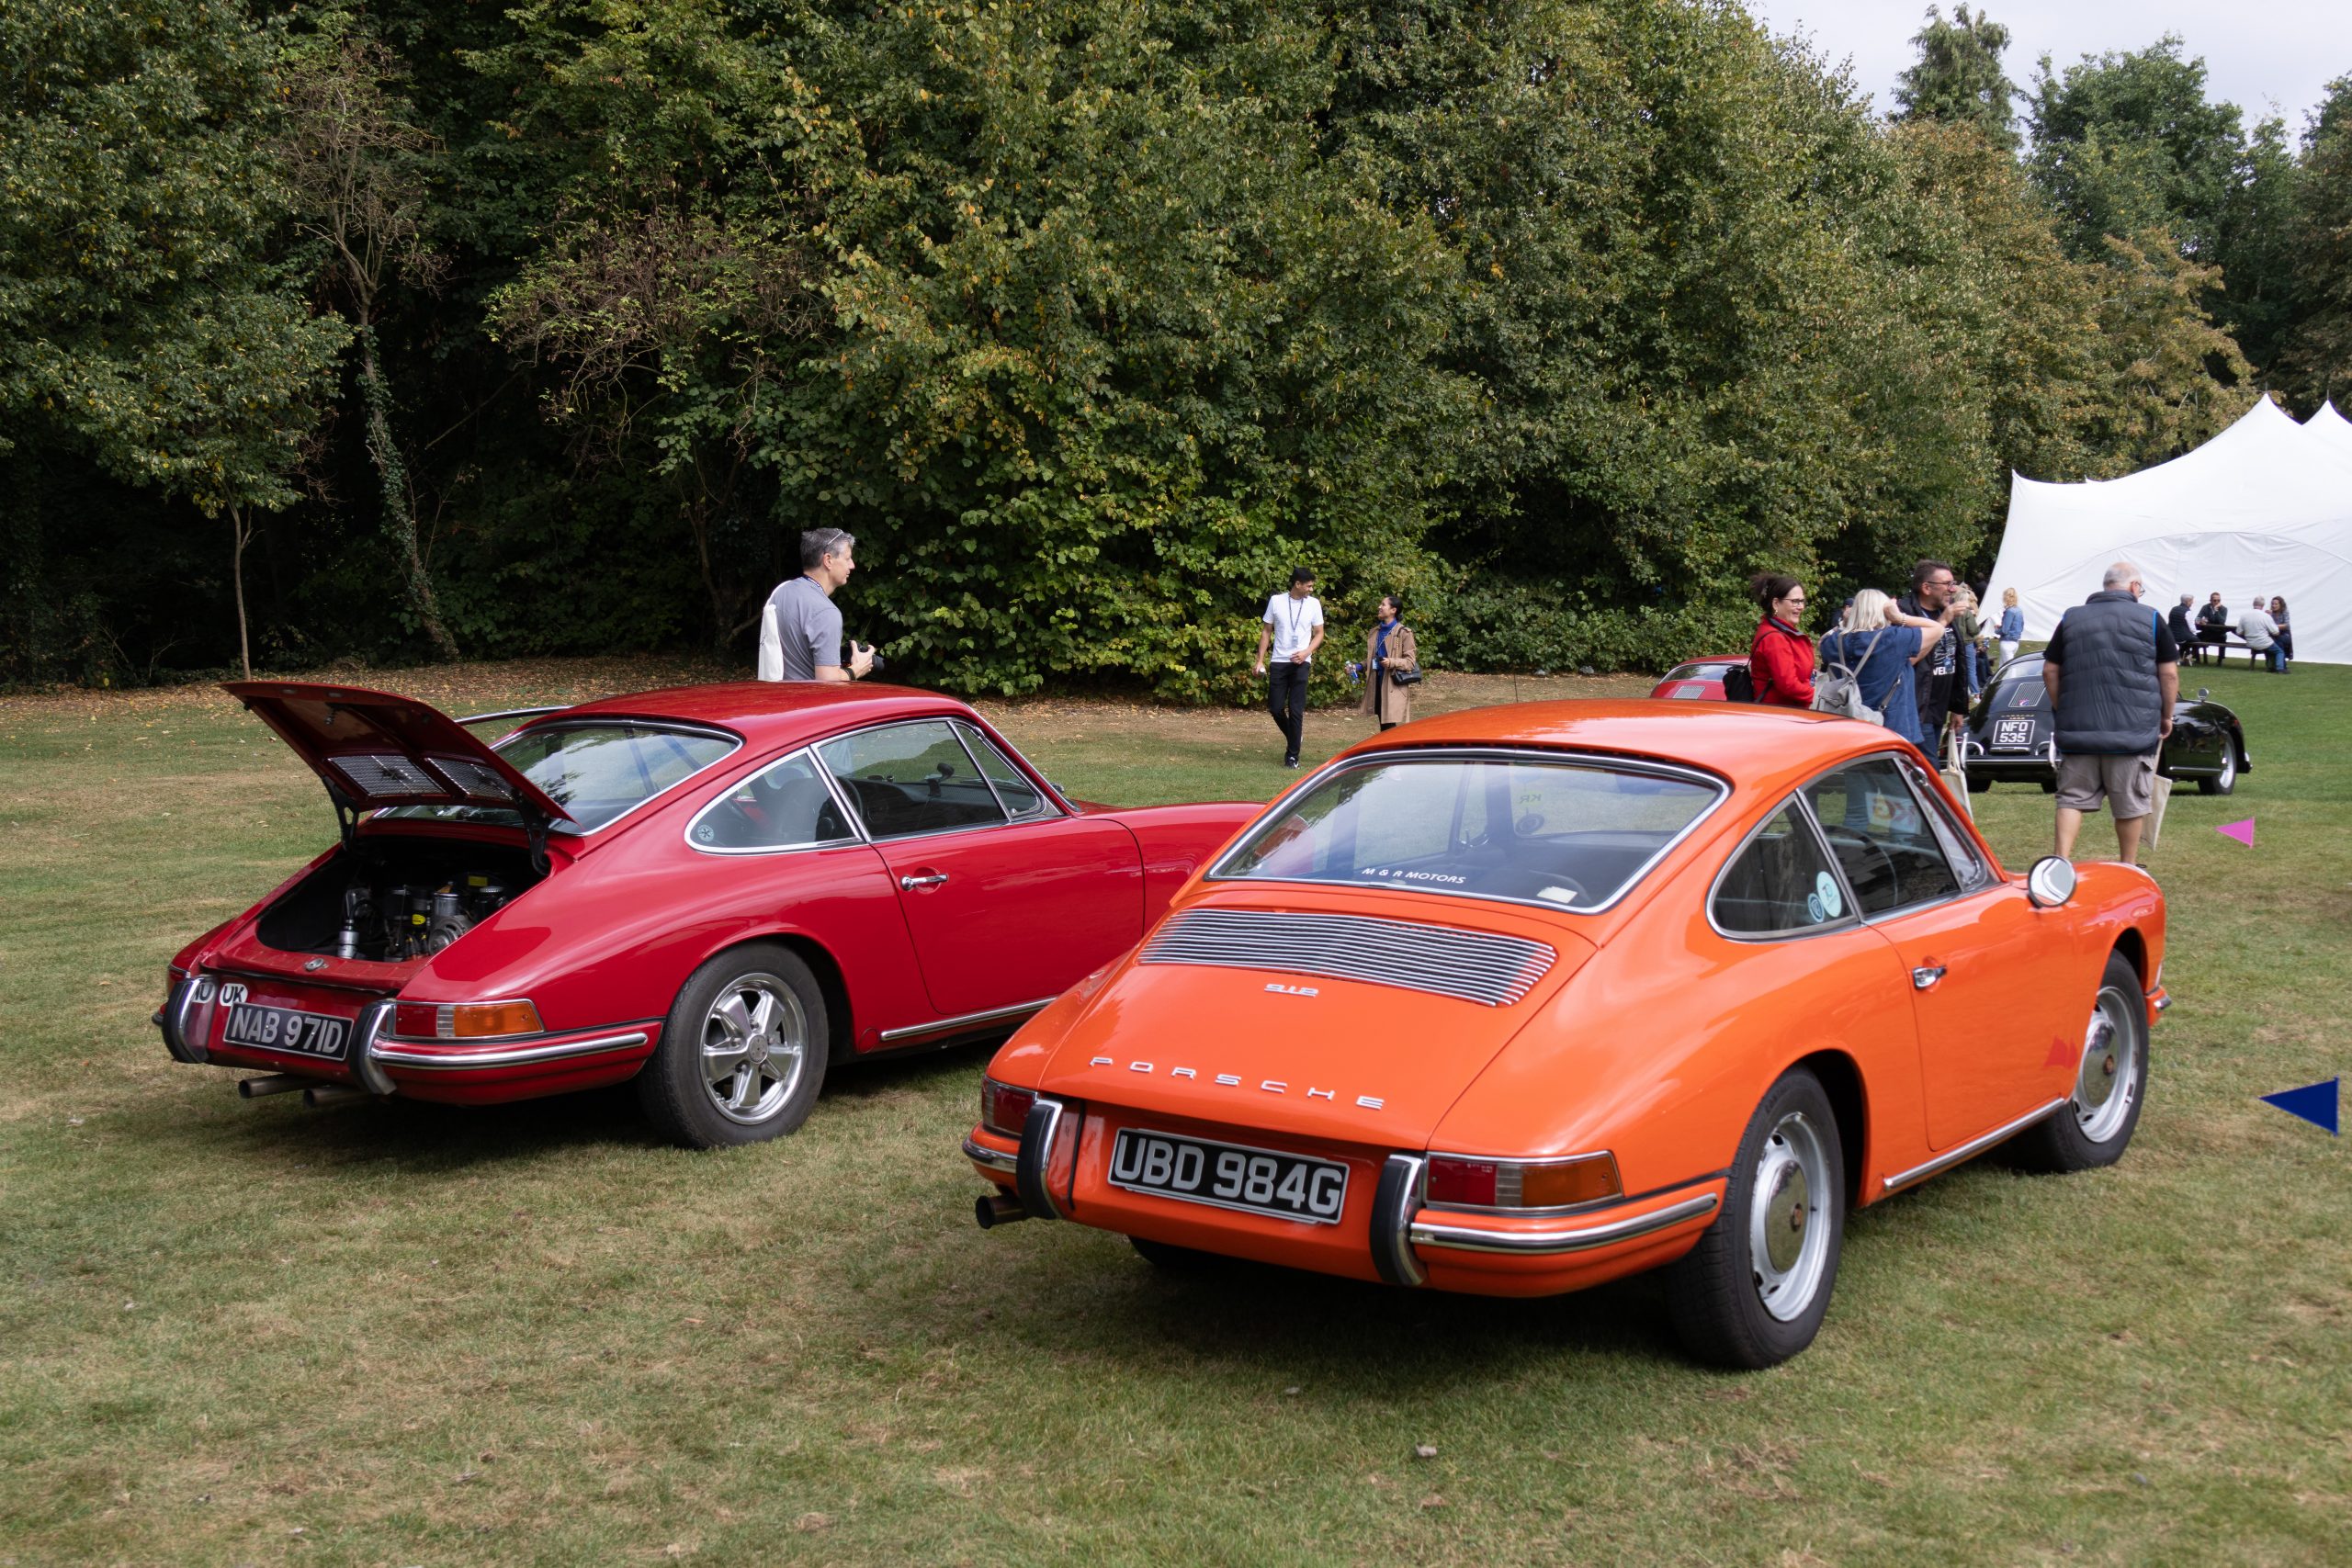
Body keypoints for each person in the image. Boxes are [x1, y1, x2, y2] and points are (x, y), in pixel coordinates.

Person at [2043, 561, 2177, 864]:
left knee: (2071, 799)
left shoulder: (2071, 618)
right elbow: (2168, 674)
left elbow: (2050, 669)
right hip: (2133, 732)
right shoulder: (2152, 618)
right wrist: (2166, 716)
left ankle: (2059, 861)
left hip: (2079, 730)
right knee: (2131, 803)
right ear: (2133, 587)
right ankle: (2128, 866)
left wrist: (2061, 706)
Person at [1816, 590, 1939, 759]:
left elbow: (1821, 642)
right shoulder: (1893, 639)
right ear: (1883, 611)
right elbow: (1937, 629)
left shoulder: (1834, 642)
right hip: (1891, 727)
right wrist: (1900, 618)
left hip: (1848, 728)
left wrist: (1846, 622)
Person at [757, 527, 877, 682]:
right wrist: (856, 669)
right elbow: (828, 683)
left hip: (776, 699)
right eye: (847, 559)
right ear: (828, 560)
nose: (852, 565)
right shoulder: (826, 612)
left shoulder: (781, 592)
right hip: (806, 704)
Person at [1253, 567, 1326, 767]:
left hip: (1302, 662)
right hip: (1279, 661)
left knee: (1296, 710)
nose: (1311, 589)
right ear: (1298, 584)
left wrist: (1306, 652)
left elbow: (1319, 633)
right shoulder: (1276, 601)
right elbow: (1266, 631)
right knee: (1275, 708)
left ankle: (1292, 755)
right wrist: (1260, 660)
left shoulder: (1314, 604)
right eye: (1309, 586)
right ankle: (1295, 736)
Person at [1896, 561, 1966, 744]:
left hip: (1939, 709)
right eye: (1947, 584)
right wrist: (1942, 622)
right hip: (1915, 709)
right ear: (1926, 588)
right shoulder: (1903, 615)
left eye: (1953, 583)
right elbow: (1906, 661)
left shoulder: (1945, 612)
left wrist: (1958, 708)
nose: (1953, 590)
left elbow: (1957, 660)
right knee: (1928, 769)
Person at [1746, 573, 1815, 707]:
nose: (1800, 607)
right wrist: (1817, 695)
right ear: (1776, 603)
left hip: (1788, 713)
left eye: (1802, 601)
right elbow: (1788, 685)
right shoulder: (1774, 638)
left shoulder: (1783, 634)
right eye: (1795, 601)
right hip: (1780, 716)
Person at [1357, 594, 1419, 731]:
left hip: (1392, 686)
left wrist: (1391, 662)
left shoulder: (1404, 633)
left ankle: (1394, 751)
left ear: (1393, 610)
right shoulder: (1375, 632)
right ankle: (1391, 750)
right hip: (1376, 684)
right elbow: (1373, 659)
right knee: (1384, 724)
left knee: (1389, 725)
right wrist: (1359, 666)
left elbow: (1410, 662)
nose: (1379, 607)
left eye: (1383, 605)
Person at [2237, 595, 2284, 672]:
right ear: (2263, 606)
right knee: (2279, 651)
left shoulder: (2244, 616)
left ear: (2253, 604)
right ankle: (2280, 668)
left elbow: (2239, 632)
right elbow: (2275, 632)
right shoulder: (2266, 616)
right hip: (2263, 642)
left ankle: (2270, 667)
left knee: (2269, 648)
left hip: (2250, 642)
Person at [2196, 592, 2230, 662]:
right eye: (2215, 600)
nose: (2217, 602)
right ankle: (2197, 658)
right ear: (2210, 600)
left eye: (2218, 600)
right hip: (2207, 632)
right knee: (2194, 638)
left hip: (2218, 633)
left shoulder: (2223, 609)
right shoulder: (2205, 607)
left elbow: (2222, 621)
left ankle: (2220, 659)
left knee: (2223, 637)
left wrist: (2216, 611)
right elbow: (2197, 618)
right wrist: (2200, 621)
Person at [1996, 588, 2025, 670]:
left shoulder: (2009, 611)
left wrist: (1996, 629)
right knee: (2002, 667)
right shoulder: (2019, 610)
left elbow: (2004, 630)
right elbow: (2021, 626)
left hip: (2007, 642)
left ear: (2006, 597)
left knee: (2010, 668)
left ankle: (2012, 682)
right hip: (2015, 642)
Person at [2168, 594, 2198, 666]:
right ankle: (2189, 657)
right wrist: (2196, 633)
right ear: (2188, 601)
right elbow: (2192, 628)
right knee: (2198, 641)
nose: (2192, 602)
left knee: (2185, 644)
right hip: (2183, 636)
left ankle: (2179, 657)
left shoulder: (2173, 609)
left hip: (2171, 635)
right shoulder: (2188, 612)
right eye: (2191, 601)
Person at [2270, 596, 2293, 664]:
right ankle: (2278, 665)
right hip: (2274, 633)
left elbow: (2286, 625)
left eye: (2276, 604)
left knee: (2279, 642)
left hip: (2284, 634)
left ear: (2281, 604)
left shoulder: (2284, 611)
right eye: (2272, 604)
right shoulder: (2271, 613)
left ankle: (2280, 664)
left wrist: (2274, 626)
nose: (2274, 606)